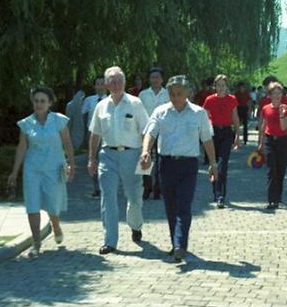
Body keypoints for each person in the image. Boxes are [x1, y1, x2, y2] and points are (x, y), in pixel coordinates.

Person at [141, 75, 217, 262]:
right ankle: (176, 242)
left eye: (179, 94)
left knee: (184, 205)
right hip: (166, 164)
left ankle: (180, 245)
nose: (175, 98)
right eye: (172, 94)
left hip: (188, 165)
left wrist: (213, 164)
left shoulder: (199, 113)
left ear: (188, 93)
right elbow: (150, 133)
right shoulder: (160, 112)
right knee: (171, 207)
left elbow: (207, 139)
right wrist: (145, 151)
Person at [87, 66, 149, 255]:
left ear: (124, 82)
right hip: (108, 155)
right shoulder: (101, 106)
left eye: (119, 80)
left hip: (132, 154)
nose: (115, 84)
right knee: (108, 197)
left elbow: (146, 131)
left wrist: (146, 152)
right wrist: (91, 158)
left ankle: (135, 225)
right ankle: (110, 241)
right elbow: (95, 134)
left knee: (134, 196)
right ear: (106, 84)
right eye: (111, 80)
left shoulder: (135, 103)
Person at [8, 87, 75, 258]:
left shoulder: (59, 120)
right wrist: (14, 172)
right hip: (32, 169)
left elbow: (67, 143)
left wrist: (71, 164)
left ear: (50, 103)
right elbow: (22, 147)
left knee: (53, 205)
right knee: (32, 205)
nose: (39, 104)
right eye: (36, 101)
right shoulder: (26, 124)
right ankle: (36, 243)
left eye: (42, 101)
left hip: (53, 169)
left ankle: (56, 225)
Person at [203, 75, 240, 208]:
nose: (221, 87)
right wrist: (204, 135)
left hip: (226, 133)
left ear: (226, 86)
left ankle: (220, 196)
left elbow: (235, 117)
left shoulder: (232, 99)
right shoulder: (209, 100)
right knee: (214, 163)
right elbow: (205, 119)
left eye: (223, 85)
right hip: (213, 133)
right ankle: (215, 190)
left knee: (222, 164)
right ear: (215, 86)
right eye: (218, 85)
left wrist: (238, 135)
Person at [257, 82, 287, 209]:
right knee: (271, 170)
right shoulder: (265, 108)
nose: (277, 95)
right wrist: (261, 143)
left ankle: (278, 196)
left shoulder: (286, 108)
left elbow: (283, 127)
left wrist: (282, 114)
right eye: (274, 93)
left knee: (280, 170)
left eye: (279, 93)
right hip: (269, 141)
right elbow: (263, 126)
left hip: (282, 141)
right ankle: (271, 199)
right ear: (270, 95)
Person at [138, 67, 169, 200]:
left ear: (162, 79)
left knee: (161, 161)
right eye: (152, 77)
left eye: (157, 77)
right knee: (145, 160)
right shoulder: (143, 95)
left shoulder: (168, 94)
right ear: (149, 79)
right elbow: (138, 115)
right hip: (147, 132)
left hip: (164, 132)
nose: (155, 80)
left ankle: (158, 188)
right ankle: (147, 187)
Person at [82, 75, 107, 198]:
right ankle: (96, 187)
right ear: (94, 86)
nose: (100, 86)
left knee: (105, 160)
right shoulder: (89, 100)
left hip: (106, 134)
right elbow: (83, 116)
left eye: (102, 84)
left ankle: (105, 186)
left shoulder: (110, 100)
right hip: (92, 133)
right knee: (93, 160)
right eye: (98, 84)